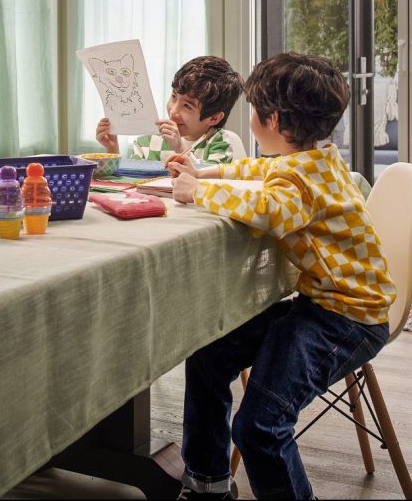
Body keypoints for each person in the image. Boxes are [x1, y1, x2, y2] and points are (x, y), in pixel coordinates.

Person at [167, 53, 395, 501]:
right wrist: (204, 170)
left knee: (259, 427)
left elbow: (275, 211)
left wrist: (200, 190)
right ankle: (208, 484)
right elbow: (259, 169)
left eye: (252, 109)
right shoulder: (313, 156)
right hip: (324, 305)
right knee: (208, 356)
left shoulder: (300, 179)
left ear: (270, 118)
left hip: (347, 320)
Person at [95, 55, 246, 164]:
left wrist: (179, 148)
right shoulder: (147, 142)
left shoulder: (224, 142)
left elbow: (210, 184)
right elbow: (131, 186)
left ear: (214, 118)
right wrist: (112, 149)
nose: (173, 111)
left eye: (187, 105)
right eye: (174, 97)